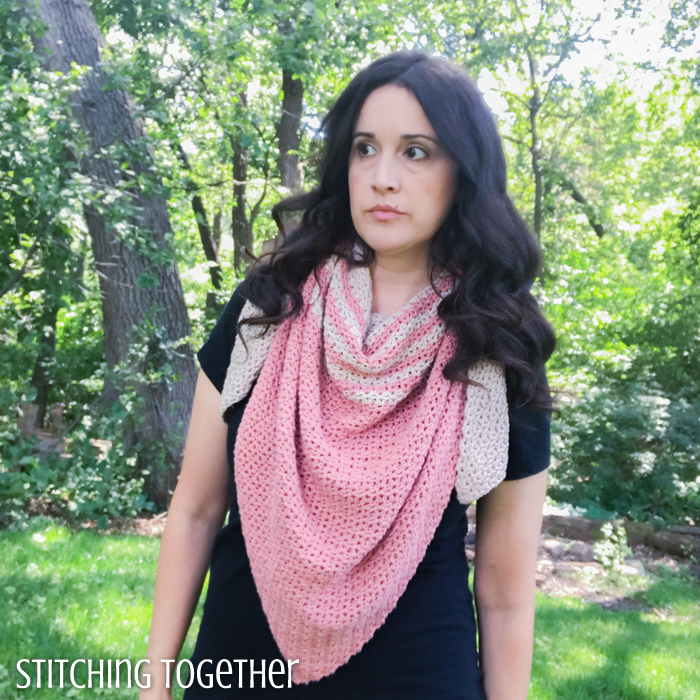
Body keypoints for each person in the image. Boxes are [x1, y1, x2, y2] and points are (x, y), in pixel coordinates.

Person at [140, 50, 556, 700]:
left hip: (417, 674)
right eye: (366, 148)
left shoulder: (499, 341)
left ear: (464, 173)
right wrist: (154, 683)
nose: (382, 177)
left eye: (416, 152)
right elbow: (195, 509)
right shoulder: (268, 304)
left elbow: (505, 590)